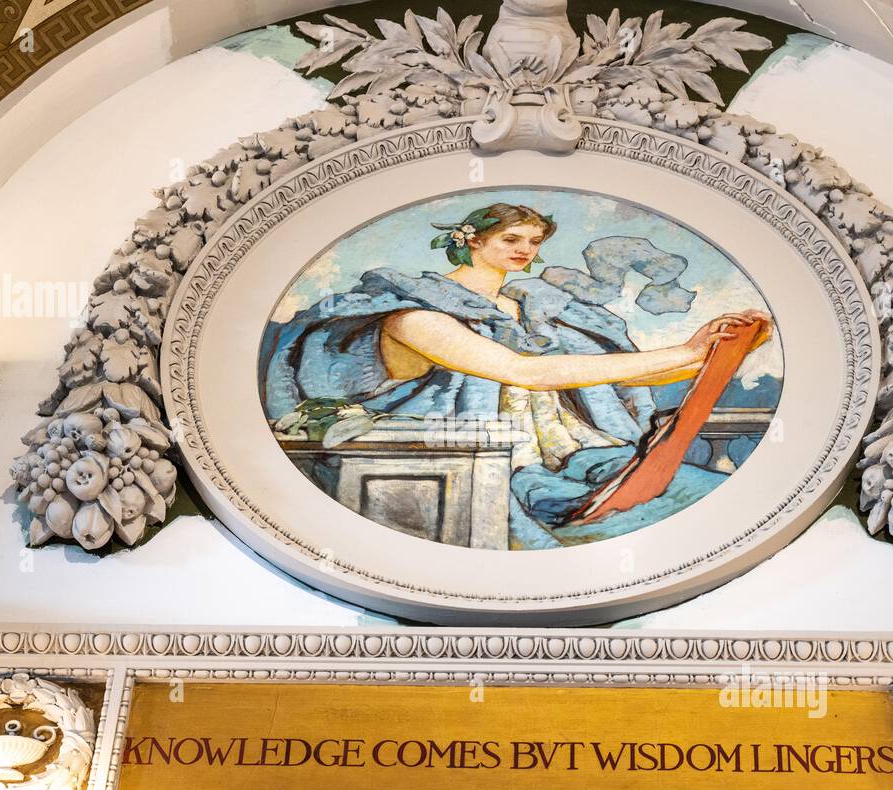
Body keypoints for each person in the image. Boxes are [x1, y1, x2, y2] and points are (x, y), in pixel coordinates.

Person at [262, 202, 773, 547]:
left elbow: (617, 381)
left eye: (533, 240)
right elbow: (523, 372)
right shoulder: (416, 314)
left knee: (698, 496)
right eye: (511, 238)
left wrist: (715, 352)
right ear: (472, 242)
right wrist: (684, 351)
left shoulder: (536, 311)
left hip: (583, 457)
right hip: (488, 469)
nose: (525, 250)